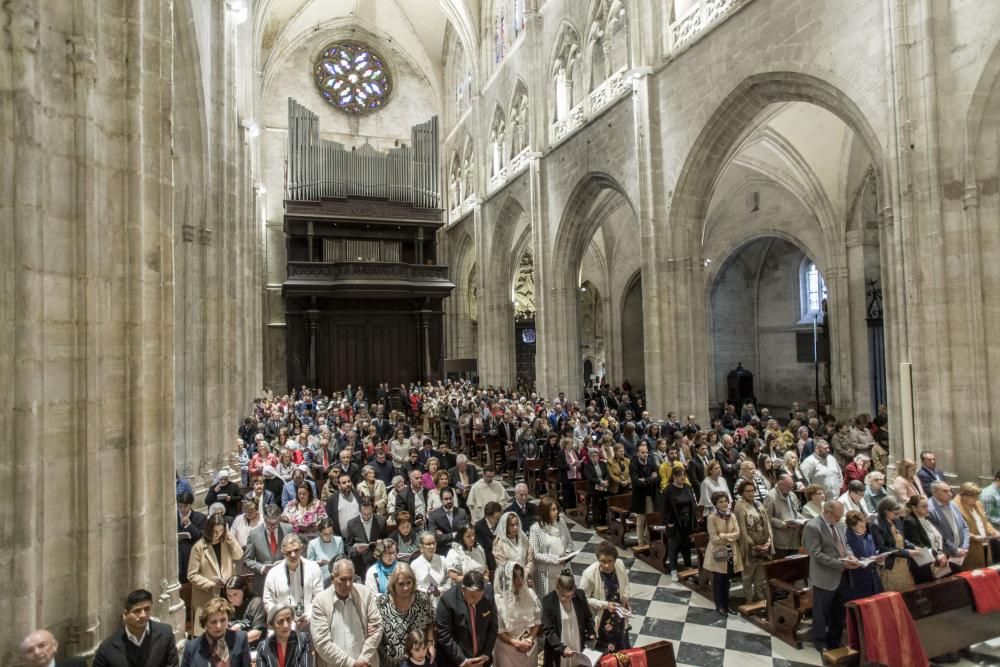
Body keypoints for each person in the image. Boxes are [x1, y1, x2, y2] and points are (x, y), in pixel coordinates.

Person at [802, 500, 862, 652]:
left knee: (839, 611)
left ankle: (834, 640)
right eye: (837, 516)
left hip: (843, 576)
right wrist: (840, 564)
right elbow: (815, 554)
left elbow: (845, 545)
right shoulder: (813, 526)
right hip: (824, 577)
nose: (839, 519)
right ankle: (820, 641)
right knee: (821, 613)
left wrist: (851, 556)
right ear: (827, 512)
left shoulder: (839, 524)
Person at [310, 558, 384, 667]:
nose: (348, 584)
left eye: (351, 579)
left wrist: (364, 658)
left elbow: (377, 627)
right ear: (332, 578)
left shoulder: (364, 593)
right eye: (343, 579)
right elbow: (322, 643)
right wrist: (351, 664)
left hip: (365, 663)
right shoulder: (320, 602)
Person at [188, 513, 245, 635]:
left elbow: (239, 555)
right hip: (208, 595)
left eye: (220, 531)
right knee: (207, 631)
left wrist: (229, 537)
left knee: (227, 629)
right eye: (215, 531)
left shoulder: (226, 542)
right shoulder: (199, 547)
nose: (217, 534)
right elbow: (192, 575)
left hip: (226, 593)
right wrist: (211, 583)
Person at [93, 589, 180, 667]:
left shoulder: (165, 634)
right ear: (125, 614)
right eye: (137, 611)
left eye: (147, 609)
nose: (143, 615)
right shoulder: (107, 648)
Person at [375, 563, 437, 667]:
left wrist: (430, 642)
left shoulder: (423, 599)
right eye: (401, 584)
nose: (406, 588)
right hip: (389, 662)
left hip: (416, 661)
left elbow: (431, 622)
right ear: (393, 584)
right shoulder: (382, 603)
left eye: (409, 583)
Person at [435, 570, 499, 667]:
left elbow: (493, 626)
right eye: (473, 597)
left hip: (482, 661)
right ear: (463, 589)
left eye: (479, 597)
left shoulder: (488, 593)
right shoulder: (447, 600)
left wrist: (486, 654)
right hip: (457, 661)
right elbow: (444, 634)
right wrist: (463, 661)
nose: (476, 601)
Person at [262, 534, 324, 629]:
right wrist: (282, 618)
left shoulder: (314, 568)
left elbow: (319, 597)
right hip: (283, 627)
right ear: (283, 553)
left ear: (302, 548)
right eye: (288, 552)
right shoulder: (273, 573)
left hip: (310, 623)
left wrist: (308, 616)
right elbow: (268, 600)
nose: (293, 555)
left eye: (296, 550)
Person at [579, 541, 631, 653]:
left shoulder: (620, 564)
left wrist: (625, 596)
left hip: (618, 617)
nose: (606, 565)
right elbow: (583, 599)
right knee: (607, 655)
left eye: (610, 561)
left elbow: (626, 584)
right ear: (598, 559)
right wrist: (605, 605)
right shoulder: (589, 574)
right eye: (602, 561)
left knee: (622, 651)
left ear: (615, 560)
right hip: (602, 619)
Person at [540, 570, 596, 667]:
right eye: (564, 597)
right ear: (557, 590)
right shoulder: (548, 601)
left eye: (571, 596)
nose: (569, 599)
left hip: (577, 642)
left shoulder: (580, 595)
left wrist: (591, 632)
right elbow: (548, 630)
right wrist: (561, 648)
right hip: (558, 646)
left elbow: (588, 617)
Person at [493, 562, 542, 667]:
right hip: (507, 649)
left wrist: (529, 639)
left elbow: (537, 621)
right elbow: (499, 631)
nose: (520, 581)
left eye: (521, 576)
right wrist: (517, 643)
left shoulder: (530, 594)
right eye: (515, 578)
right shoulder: (499, 600)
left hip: (528, 646)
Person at [180, 597, 252, 666]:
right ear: (205, 623)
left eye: (223, 620)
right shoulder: (191, 647)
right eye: (213, 622)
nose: (218, 626)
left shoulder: (240, 639)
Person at [734, 479, 773, 602]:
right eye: (748, 491)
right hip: (750, 547)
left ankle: (761, 600)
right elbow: (742, 529)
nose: (751, 493)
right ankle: (749, 601)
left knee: (761, 577)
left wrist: (769, 541)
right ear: (742, 493)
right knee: (748, 576)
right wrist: (753, 544)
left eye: (753, 490)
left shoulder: (759, 504)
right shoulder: (740, 506)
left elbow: (767, 524)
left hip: (763, 545)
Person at [704, 491, 742, 616]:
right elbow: (714, 538)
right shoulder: (712, 517)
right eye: (720, 502)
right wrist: (727, 537)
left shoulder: (732, 516)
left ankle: (726, 604)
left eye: (725, 501)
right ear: (715, 504)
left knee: (728, 580)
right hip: (718, 551)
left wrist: (723, 535)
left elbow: (737, 534)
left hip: (731, 551)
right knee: (719, 580)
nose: (724, 503)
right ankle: (719, 605)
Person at [244, 505, 295, 596]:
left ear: (279, 519)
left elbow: (295, 552)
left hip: (285, 579)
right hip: (263, 581)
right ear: (264, 518)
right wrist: (261, 568)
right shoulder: (253, 534)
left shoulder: (288, 529)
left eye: (275, 523)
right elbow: (247, 560)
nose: (272, 526)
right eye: (268, 523)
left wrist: (286, 561)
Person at [529, 497, 575, 599]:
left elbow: (570, 543)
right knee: (550, 601)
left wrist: (567, 555)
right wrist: (555, 560)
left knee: (565, 598)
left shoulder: (561, 522)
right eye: (553, 510)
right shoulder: (535, 529)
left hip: (564, 569)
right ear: (545, 511)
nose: (556, 512)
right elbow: (535, 554)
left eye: (557, 509)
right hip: (547, 573)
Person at [870, 497, 917, 591]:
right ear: (886, 511)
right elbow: (883, 548)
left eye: (899, 513)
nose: (898, 516)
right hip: (890, 566)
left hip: (904, 565)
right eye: (896, 513)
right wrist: (906, 552)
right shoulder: (876, 524)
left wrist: (914, 546)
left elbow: (902, 540)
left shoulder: (897, 520)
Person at [903, 495, 953, 582]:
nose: (927, 509)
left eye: (927, 506)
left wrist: (943, 553)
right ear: (914, 508)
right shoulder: (909, 521)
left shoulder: (928, 517)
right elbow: (918, 543)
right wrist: (937, 556)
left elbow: (941, 537)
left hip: (940, 558)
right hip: (925, 563)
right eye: (924, 507)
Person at [661, 465, 698, 576]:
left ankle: (688, 565)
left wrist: (694, 520)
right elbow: (664, 508)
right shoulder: (668, 490)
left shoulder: (687, 487)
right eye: (680, 475)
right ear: (674, 477)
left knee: (686, 545)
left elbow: (693, 503)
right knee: (674, 546)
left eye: (684, 475)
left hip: (687, 521)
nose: (682, 477)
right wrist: (668, 522)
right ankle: (673, 569)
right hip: (674, 521)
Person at [954, 481, 998, 570]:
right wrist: (974, 537)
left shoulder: (977, 503)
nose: (977, 498)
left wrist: (994, 532)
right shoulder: (954, 506)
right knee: (974, 574)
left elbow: (985, 521)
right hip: (970, 548)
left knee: (987, 572)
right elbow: (959, 529)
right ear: (964, 495)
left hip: (984, 544)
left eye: (977, 496)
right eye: (974, 496)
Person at [843, 510, 883, 600]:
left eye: (865, 526)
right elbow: (850, 559)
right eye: (862, 527)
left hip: (874, 579)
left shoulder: (868, 537)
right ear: (853, 527)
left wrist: (878, 559)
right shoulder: (846, 539)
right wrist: (868, 559)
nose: (865, 529)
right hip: (858, 581)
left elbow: (873, 554)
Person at [927, 480, 970, 564]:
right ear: (934, 492)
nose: (950, 493)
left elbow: (964, 526)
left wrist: (964, 547)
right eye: (945, 491)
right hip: (944, 554)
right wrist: (955, 550)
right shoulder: (929, 509)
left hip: (961, 552)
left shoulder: (953, 504)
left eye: (950, 490)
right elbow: (937, 535)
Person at [345, 498, 388, 574]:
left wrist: (382, 543)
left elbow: (387, 542)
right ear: (359, 511)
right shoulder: (351, 524)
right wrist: (356, 550)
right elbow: (347, 547)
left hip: (377, 561)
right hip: (359, 563)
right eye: (364, 514)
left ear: (372, 509)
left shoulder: (381, 521)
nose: (367, 517)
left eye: (369, 514)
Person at [493, 511, 536, 584]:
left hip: (526, 579)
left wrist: (525, 574)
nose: (515, 527)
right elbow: (502, 565)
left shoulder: (523, 539)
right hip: (509, 582)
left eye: (516, 524)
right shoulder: (499, 543)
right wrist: (517, 577)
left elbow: (530, 559)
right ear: (506, 526)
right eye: (512, 525)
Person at [224, 576, 266, 649]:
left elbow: (257, 633)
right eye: (229, 596)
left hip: (253, 647)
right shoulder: (227, 604)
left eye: (235, 594)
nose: (232, 599)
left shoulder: (256, 603)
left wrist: (235, 640)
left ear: (244, 589)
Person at [427, 488, 470, 556]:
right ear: (441, 500)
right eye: (446, 499)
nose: (449, 501)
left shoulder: (462, 512)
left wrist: (443, 536)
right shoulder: (434, 515)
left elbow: (467, 533)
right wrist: (454, 534)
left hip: (461, 551)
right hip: (443, 552)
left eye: (450, 498)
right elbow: (434, 537)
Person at [412, 531, 452, 601]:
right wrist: (426, 591)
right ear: (421, 547)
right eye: (428, 544)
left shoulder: (442, 559)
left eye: (433, 543)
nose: (432, 546)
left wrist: (440, 590)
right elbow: (413, 585)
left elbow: (448, 579)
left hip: (441, 599)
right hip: (422, 601)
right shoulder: (414, 564)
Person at [20, 629, 86, 667]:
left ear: (54, 645)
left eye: (42, 645)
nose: (37, 652)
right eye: (30, 650)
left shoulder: (76, 664)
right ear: (24, 658)